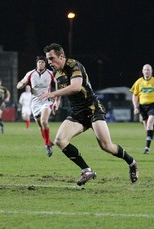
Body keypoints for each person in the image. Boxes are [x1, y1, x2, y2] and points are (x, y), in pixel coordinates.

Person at [40, 43, 139, 186]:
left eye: (51, 58)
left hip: (92, 109)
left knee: (106, 146)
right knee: (60, 140)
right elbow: (59, 85)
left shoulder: (74, 65)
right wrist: (56, 100)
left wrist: (51, 94)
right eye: (48, 59)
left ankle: (132, 162)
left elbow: (75, 87)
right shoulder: (56, 72)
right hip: (77, 113)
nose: (49, 63)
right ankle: (87, 170)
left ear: (61, 56)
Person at [17, 56, 55, 157]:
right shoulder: (30, 74)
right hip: (35, 103)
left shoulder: (51, 73)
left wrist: (56, 97)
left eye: (42, 62)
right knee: (40, 125)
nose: (40, 64)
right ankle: (47, 141)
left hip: (47, 101)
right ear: (36, 63)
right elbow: (20, 83)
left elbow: (59, 83)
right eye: (39, 62)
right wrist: (21, 85)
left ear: (45, 64)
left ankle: (47, 144)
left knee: (44, 121)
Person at [130, 64, 154, 154]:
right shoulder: (138, 82)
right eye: (145, 70)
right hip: (142, 106)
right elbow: (134, 95)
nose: (146, 71)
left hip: (153, 105)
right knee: (147, 128)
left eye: (148, 70)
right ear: (142, 71)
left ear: (151, 71)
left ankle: (147, 148)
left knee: (149, 125)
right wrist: (135, 107)